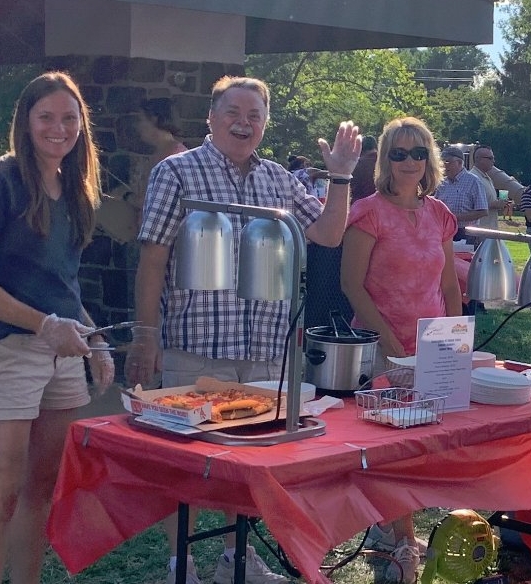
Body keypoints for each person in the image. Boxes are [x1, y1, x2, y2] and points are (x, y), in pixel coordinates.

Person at [130, 76, 361, 584]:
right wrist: (146, 334)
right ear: (211, 118)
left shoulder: (277, 178)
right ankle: (180, 563)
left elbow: (326, 233)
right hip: (196, 343)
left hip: (263, 348)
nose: (244, 122)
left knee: (254, 457)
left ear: (265, 124)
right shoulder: (177, 172)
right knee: (183, 459)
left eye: (255, 115)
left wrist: (340, 176)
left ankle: (236, 555)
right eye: (234, 111)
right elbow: (153, 256)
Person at [0, 71, 111, 584]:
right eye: (47, 116)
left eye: (70, 118)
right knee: (1, 495)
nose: (58, 128)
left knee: (41, 491)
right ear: (25, 120)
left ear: (82, 125)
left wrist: (97, 341)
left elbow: (60, 285)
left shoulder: (74, 187)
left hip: (62, 352)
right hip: (2, 351)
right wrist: (46, 326)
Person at [340, 117, 463, 573]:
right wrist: (392, 344)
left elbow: (450, 285)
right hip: (378, 345)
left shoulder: (440, 214)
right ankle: (406, 540)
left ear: (429, 159)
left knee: (426, 443)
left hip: (431, 348)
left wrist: (452, 340)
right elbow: (351, 285)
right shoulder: (368, 212)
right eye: (398, 152)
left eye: (417, 152)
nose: (409, 161)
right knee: (393, 445)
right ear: (385, 160)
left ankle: (387, 525)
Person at [434, 143, 495, 241]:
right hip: (444, 231)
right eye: (441, 162)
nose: (443, 165)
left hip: (467, 234)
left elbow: (483, 211)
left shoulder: (473, 182)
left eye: (447, 162)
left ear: (459, 162)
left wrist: (454, 217)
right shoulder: (442, 183)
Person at [471, 144, 525, 227]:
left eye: (493, 158)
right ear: (479, 159)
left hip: (489, 229)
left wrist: (499, 203)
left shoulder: (486, 177)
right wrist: (494, 205)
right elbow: (469, 205)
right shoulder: (473, 178)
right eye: (490, 158)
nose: (493, 161)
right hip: (479, 231)